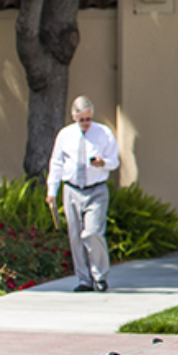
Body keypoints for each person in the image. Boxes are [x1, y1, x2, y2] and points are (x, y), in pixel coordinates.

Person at [45, 96, 121, 292]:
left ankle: (100, 276)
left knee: (92, 232)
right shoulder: (65, 135)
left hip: (96, 189)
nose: (85, 124)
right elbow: (56, 163)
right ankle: (84, 279)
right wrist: (51, 190)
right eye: (81, 120)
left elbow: (114, 161)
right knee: (76, 235)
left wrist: (102, 162)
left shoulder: (103, 133)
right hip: (71, 188)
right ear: (74, 116)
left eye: (88, 119)